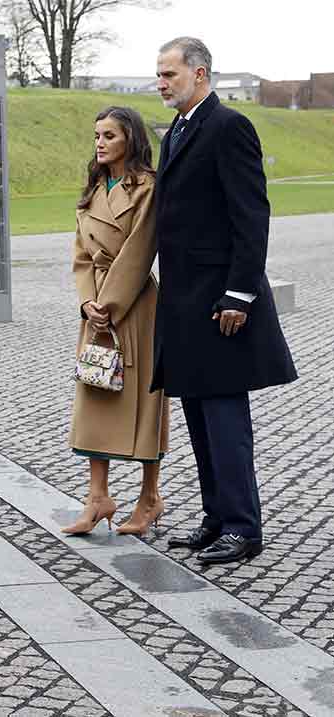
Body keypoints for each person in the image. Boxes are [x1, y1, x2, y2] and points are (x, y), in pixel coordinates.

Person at [153, 37, 297, 564]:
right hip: (185, 305)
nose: (161, 83)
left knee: (225, 420)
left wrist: (240, 293)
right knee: (199, 417)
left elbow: (251, 215)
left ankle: (243, 527)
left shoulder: (229, 126)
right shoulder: (180, 129)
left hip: (221, 305)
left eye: (169, 74)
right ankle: (217, 518)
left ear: (200, 73)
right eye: (160, 75)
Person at [65, 107, 169, 537]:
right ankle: (97, 497)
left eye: (109, 135)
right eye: (96, 135)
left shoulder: (147, 188)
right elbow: (81, 255)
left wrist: (110, 303)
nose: (100, 143)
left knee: (144, 402)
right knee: (95, 397)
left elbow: (142, 249)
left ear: (130, 138)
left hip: (136, 306)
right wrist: (88, 302)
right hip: (96, 312)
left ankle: (149, 498)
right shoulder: (93, 190)